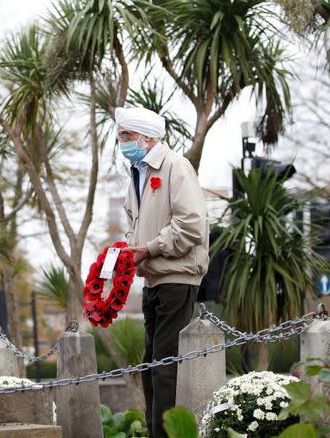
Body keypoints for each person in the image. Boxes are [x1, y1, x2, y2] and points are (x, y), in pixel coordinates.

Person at [115, 106, 209, 438]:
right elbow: (133, 226)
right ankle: (158, 431)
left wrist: (150, 248)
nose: (121, 141)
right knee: (151, 364)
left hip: (178, 276)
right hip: (153, 278)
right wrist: (129, 251)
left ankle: (167, 434)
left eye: (126, 135)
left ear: (147, 136)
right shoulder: (137, 173)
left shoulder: (175, 166)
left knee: (165, 366)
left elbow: (191, 225)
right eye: (120, 135)